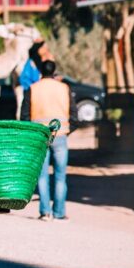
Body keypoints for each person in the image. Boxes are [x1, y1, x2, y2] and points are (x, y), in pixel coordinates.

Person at [20, 60, 78, 221]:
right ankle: (59, 212)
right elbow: (74, 115)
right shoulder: (64, 88)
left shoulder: (32, 88)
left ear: (40, 70)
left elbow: (24, 115)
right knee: (60, 176)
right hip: (60, 136)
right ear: (54, 71)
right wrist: (66, 131)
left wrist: (31, 134)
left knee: (42, 176)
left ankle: (45, 212)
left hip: (40, 137)